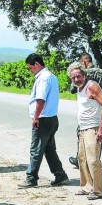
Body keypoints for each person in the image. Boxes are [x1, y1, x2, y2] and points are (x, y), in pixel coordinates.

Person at [18, 53, 69, 188]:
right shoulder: (51, 77)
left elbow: (40, 99)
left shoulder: (43, 78)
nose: (30, 71)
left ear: (37, 64)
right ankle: (60, 175)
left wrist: (36, 117)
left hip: (43, 119)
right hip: (52, 119)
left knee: (36, 149)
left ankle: (31, 178)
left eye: (30, 68)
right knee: (49, 149)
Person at [67, 62, 102, 200]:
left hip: (93, 127)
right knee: (82, 159)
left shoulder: (91, 86)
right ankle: (87, 187)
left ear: (84, 74)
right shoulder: (79, 88)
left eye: (78, 76)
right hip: (83, 128)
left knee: (93, 160)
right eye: (73, 78)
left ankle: (98, 190)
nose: (76, 80)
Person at [69, 52, 102, 168]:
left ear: (84, 62)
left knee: (82, 135)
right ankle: (96, 158)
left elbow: (73, 89)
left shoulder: (85, 74)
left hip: (89, 111)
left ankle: (81, 159)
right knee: (99, 137)